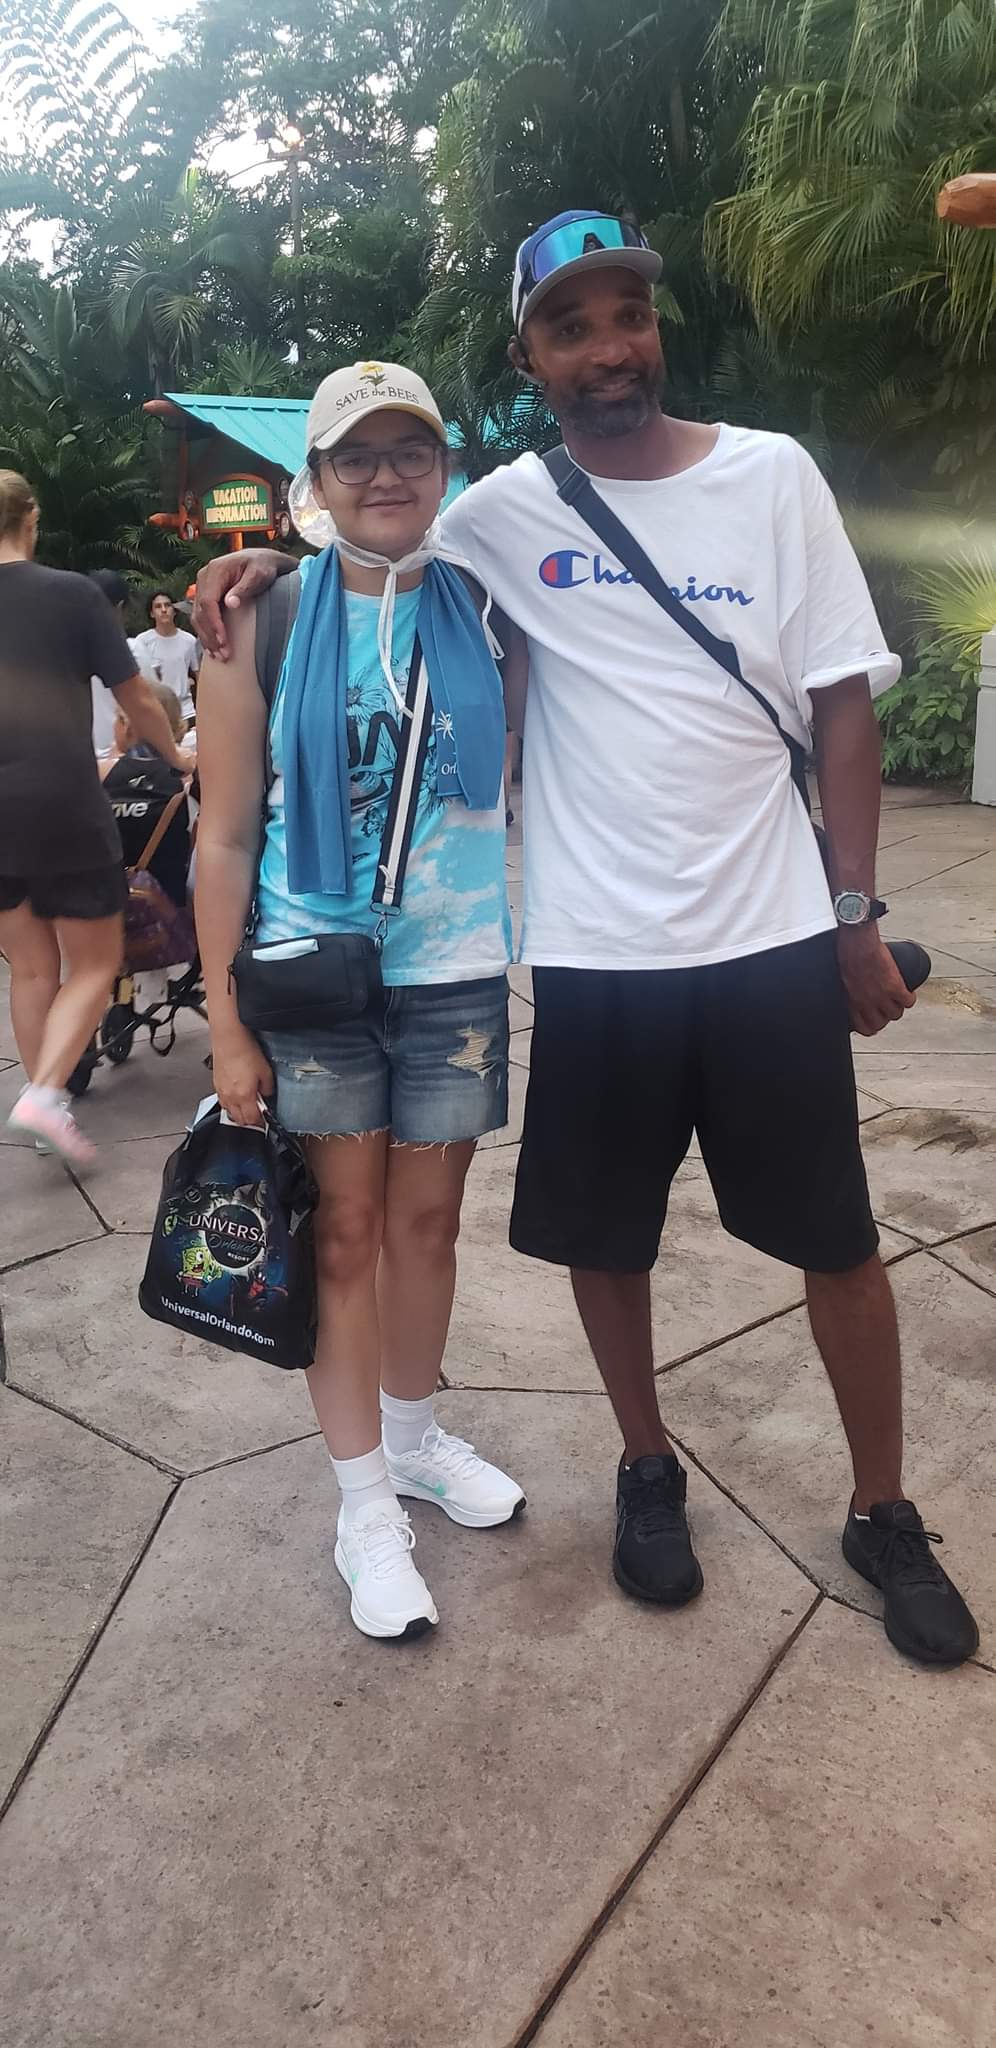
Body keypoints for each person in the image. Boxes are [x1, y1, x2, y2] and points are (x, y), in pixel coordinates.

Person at [193, 217, 979, 1670]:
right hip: (597, 954)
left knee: (839, 1240)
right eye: (572, 326)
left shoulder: (769, 475)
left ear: (654, 330)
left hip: (764, 940)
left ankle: (883, 1509)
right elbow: (349, 561)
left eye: (628, 315)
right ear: (531, 357)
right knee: (603, 1237)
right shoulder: (496, 514)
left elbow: (840, 702)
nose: (610, 347)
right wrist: (243, 572)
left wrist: (854, 913)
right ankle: (644, 1464)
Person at [194, 363, 524, 1643]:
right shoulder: (260, 620)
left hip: (453, 973)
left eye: (410, 451)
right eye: (356, 456)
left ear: (444, 469)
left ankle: (416, 1436)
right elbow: (224, 836)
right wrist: (226, 1024)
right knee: (341, 1235)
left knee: (428, 1226)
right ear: (317, 481)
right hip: (314, 977)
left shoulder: (488, 601)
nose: (386, 474)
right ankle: (364, 1502)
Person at [0, 471, 191, 1168]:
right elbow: (136, 697)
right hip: (62, 800)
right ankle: (45, 1097)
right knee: (96, 962)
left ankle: (46, 1103)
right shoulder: (72, 594)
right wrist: (176, 755)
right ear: (32, 520)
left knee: (30, 967)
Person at [88, 569, 159, 754]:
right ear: (120, 607)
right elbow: (152, 702)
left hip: (87, 757)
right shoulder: (132, 650)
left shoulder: (70, 652)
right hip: (128, 755)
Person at [132, 590, 200, 723]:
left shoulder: (189, 640)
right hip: (157, 712)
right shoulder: (142, 641)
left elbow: (199, 675)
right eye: (158, 606)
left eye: (167, 605)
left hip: (186, 710)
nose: (163, 610)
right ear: (152, 613)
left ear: (174, 610)